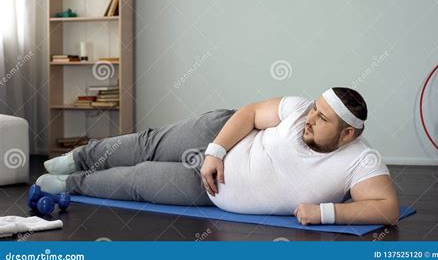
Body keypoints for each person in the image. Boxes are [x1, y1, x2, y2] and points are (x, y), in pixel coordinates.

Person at [37, 87, 400, 226]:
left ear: (347, 134)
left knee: (136, 181)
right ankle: (80, 156)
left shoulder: (360, 160)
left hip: (211, 192)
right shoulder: (299, 110)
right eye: (315, 109)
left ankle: (72, 183)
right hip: (218, 137)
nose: (310, 118)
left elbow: (387, 208)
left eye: (322, 119)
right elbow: (250, 111)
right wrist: (214, 152)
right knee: (147, 145)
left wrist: (323, 213)